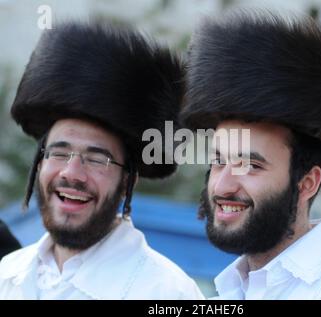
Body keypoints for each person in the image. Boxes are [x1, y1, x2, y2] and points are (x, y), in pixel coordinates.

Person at [180, 11, 321, 299]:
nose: (222, 185)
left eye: (251, 165)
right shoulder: (225, 296)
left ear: (307, 183)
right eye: (218, 162)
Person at [0, 21, 204, 300]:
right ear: (39, 164)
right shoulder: (7, 274)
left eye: (97, 160)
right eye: (59, 153)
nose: (72, 173)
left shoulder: (167, 293)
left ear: (127, 181)